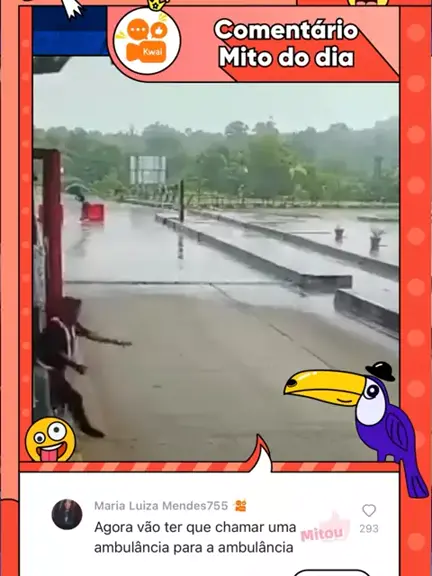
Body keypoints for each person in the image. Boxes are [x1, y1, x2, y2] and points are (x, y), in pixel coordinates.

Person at [36, 296, 132, 438]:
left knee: (62, 399)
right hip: (48, 370)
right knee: (72, 398)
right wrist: (75, 366)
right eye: (75, 312)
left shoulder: (71, 324)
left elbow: (89, 334)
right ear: (66, 312)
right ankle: (82, 427)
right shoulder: (55, 328)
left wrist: (114, 341)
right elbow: (56, 352)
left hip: (57, 370)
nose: (77, 315)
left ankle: (71, 425)